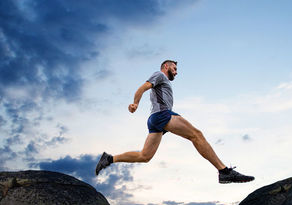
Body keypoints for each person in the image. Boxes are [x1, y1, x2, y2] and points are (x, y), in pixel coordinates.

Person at [95, 60, 254, 184]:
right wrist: (135, 103)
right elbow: (142, 88)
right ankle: (224, 172)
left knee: (145, 156)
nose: (176, 73)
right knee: (196, 135)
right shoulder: (159, 75)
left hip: (155, 119)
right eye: (174, 69)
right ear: (166, 66)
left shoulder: (163, 81)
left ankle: (109, 159)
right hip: (162, 115)